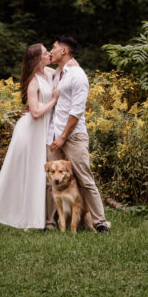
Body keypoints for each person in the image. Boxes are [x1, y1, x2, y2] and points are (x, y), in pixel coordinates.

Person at [0, 43, 58, 234]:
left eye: (49, 51)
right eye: (45, 53)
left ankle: (29, 220)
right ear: (37, 59)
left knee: (34, 175)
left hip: (39, 133)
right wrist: (53, 100)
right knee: (11, 173)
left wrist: (65, 54)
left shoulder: (47, 72)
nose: (49, 55)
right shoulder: (32, 81)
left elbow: (64, 68)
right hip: (28, 131)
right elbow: (36, 112)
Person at [46, 35, 110, 233]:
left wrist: (63, 137)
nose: (50, 51)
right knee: (50, 180)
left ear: (64, 51)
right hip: (54, 135)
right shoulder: (59, 73)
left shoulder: (78, 75)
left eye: (53, 48)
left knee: (84, 178)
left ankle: (100, 223)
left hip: (73, 136)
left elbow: (77, 111)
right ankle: (49, 223)